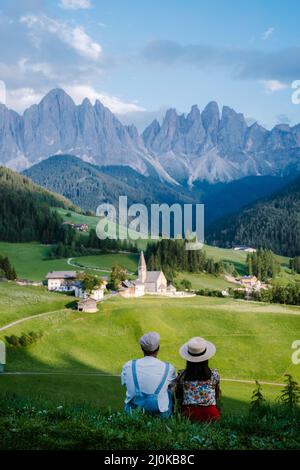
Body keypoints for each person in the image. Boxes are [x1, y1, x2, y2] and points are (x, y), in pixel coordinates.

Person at [121, 331, 176, 417]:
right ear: (158, 348)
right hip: (160, 413)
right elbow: (172, 386)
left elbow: (125, 384)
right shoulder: (168, 368)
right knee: (169, 389)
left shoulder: (129, 365)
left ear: (142, 348)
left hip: (133, 413)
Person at [175, 336, 221, 422]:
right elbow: (217, 394)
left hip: (189, 415)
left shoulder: (182, 375)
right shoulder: (214, 374)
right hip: (211, 415)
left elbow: (179, 396)